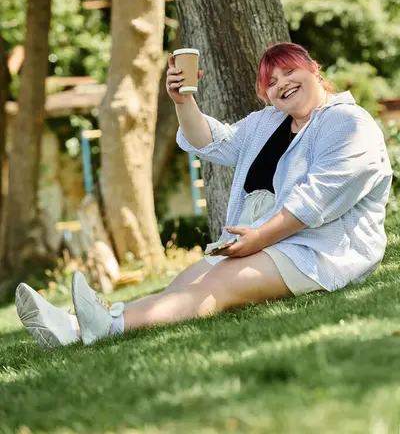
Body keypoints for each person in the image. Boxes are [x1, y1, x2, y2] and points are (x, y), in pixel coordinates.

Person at [16, 42, 393, 349]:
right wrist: (183, 102)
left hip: (323, 250)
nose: (282, 84)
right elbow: (212, 142)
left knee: (216, 284)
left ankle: (107, 323)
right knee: (186, 282)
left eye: (289, 71)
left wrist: (258, 239)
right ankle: (73, 329)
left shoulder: (348, 122)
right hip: (272, 240)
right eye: (271, 82)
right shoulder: (269, 122)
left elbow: (319, 198)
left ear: (313, 69)